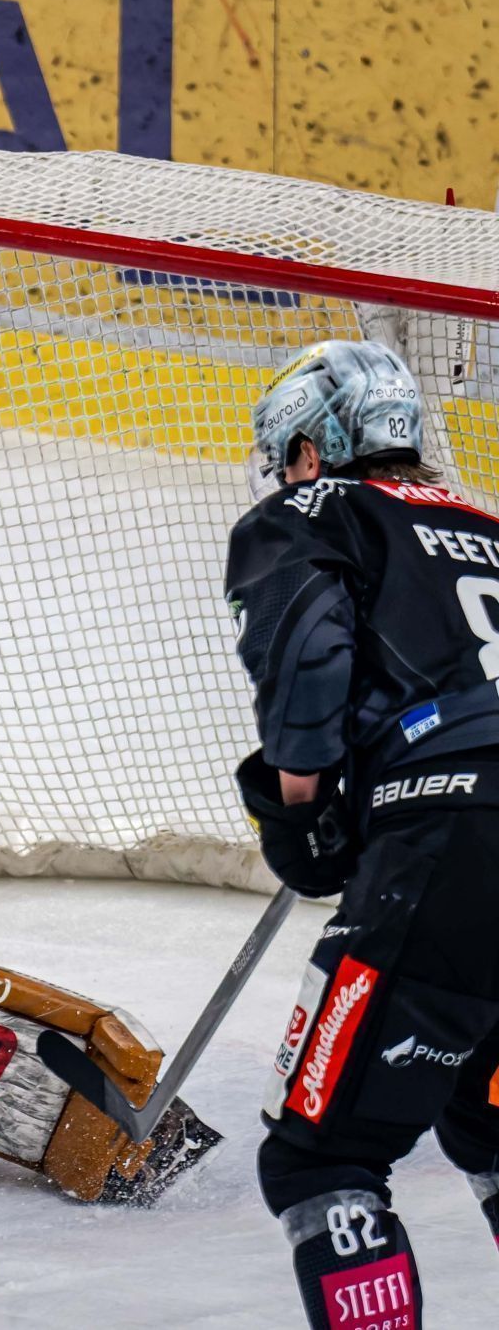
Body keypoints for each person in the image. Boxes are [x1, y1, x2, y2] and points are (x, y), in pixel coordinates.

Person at [228, 340, 499, 1330]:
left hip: (457, 842)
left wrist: (299, 800)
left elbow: (309, 660)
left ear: (309, 453)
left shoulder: (313, 513)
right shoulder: (489, 529)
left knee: (320, 1158)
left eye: (284, 457)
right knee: (486, 1121)